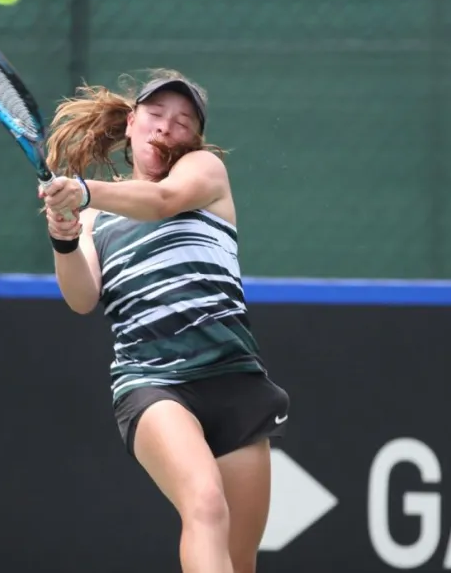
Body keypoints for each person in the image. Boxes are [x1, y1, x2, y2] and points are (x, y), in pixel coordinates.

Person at [37, 68, 290, 573]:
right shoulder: (95, 218)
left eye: (182, 122)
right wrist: (65, 235)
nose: (165, 128)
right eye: (154, 115)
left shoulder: (204, 171)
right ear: (131, 124)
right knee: (204, 503)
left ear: (194, 138)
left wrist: (82, 192)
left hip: (234, 382)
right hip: (153, 384)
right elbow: (82, 296)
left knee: (240, 561)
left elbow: (162, 202)